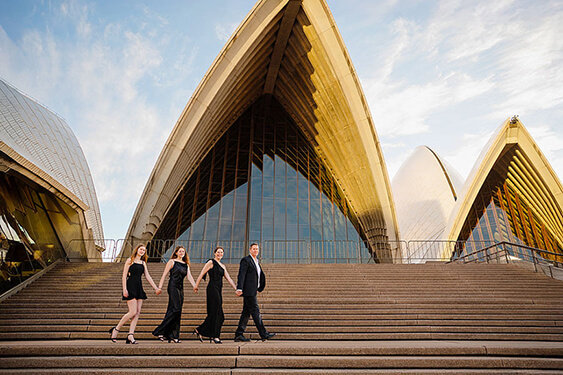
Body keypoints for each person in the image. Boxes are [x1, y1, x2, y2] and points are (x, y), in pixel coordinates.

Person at [109, 244, 160, 344]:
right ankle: (116, 329)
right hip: (130, 286)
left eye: (144, 250)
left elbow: (147, 276)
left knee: (137, 313)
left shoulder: (143, 263)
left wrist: (156, 288)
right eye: (141, 249)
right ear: (137, 250)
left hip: (139, 287)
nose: (142, 251)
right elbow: (124, 276)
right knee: (132, 312)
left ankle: (130, 335)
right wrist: (124, 289)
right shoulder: (130, 260)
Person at [193, 246, 237, 344]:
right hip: (212, 289)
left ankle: (201, 330)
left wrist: (236, 289)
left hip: (219, 289)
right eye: (218, 252)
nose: (219, 254)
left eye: (221, 252)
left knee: (219, 315)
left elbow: (229, 278)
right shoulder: (211, 262)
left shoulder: (223, 266)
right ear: (214, 253)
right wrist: (196, 285)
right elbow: (201, 273)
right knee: (217, 313)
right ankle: (215, 336)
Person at [152, 246, 196, 343]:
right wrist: (159, 287)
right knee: (176, 309)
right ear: (176, 252)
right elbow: (164, 275)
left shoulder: (186, 265)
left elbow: (189, 277)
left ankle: (173, 335)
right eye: (180, 251)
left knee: (176, 310)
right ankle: (160, 330)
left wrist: (195, 286)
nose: (181, 253)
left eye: (183, 251)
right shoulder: (172, 262)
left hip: (181, 288)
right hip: (172, 286)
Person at [234, 243, 276, 342]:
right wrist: (239, 288)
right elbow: (241, 274)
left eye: (257, 249)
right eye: (254, 249)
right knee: (255, 312)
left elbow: (260, 276)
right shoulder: (246, 260)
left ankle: (239, 334)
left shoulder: (256, 262)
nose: (255, 250)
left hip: (253, 290)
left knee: (246, 313)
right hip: (248, 291)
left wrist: (260, 287)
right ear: (250, 250)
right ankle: (263, 334)